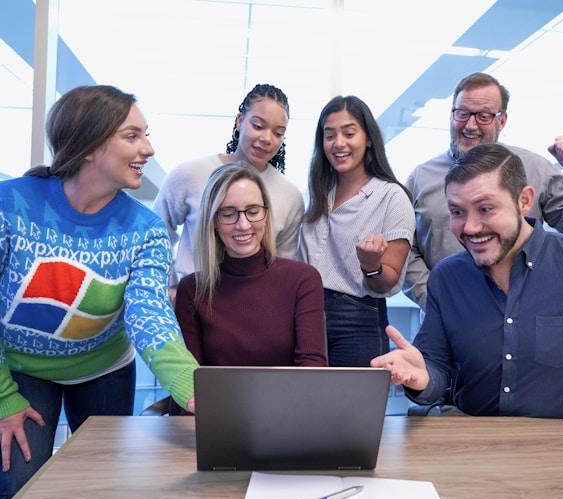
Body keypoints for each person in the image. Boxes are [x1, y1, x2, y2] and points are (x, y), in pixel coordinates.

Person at [0, 85, 199, 499]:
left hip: (104, 369)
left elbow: (149, 314)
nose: (148, 148)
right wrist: (3, 398)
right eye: (133, 136)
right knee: (18, 485)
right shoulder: (10, 204)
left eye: (146, 134)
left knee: (103, 488)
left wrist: (191, 385)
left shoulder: (146, 229)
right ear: (89, 145)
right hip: (21, 368)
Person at [371, 143, 563, 427]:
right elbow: (436, 371)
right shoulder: (447, 278)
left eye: (485, 209)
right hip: (473, 448)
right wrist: (422, 378)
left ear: (524, 200)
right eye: (457, 212)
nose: (469, 228)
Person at [404, 72, 563, 310]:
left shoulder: (535, 170)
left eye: (483, 116)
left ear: (502, 121)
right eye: (462, 113)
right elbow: (404, 251)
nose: (470, 125)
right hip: (446, 324)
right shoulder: (420, 178)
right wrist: (436, 297)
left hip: (526, 316)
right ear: (451, 114)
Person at [174, 163, 326, 401]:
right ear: (213, 221)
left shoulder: (303, 280)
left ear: (265, 214)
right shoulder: (192, 290)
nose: (243, 225)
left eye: (253, 211)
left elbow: (312, 370)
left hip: (287, 418)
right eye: (228, 213)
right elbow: (191, 382)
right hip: (219, 421)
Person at [152, 84, 304, 304]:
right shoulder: (189, 174)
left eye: (278, 133)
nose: (267, 138)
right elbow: (157, 232)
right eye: (258, 125)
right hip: (191, 301)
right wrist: (171, 285)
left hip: (250, 307)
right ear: (240, 121)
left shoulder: (290, 196)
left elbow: (282, 265)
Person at [298, 96, 415, 367]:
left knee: (352, 408)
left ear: (369, 139)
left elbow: (387, 282)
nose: (339, 143)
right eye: (330, 135)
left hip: (357, 319)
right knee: (302, 405)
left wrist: (371, 266)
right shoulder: (315, 194)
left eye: (349, 133)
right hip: (305, 313)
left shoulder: (391, 196)